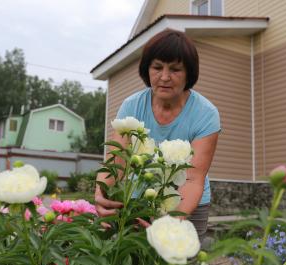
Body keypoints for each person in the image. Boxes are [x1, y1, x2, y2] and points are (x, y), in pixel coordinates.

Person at [94, 29, 220, 242]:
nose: (164, 77)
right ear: (147, 69)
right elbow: (116, 161)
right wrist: (100, 192)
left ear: (189, 73)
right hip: (138, 201)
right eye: (157, 67)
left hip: (186, 205)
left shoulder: (206, 114)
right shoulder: (132, 106)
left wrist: (171, 222)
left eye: (175, 69)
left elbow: (192, 179)